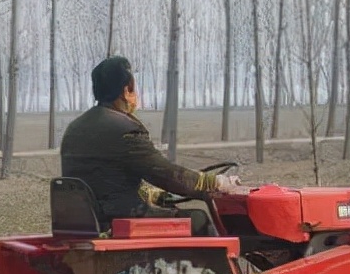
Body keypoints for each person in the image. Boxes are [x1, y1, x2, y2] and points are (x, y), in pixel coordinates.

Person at [60, 55, 240, 235]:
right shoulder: (125, 129)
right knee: (198, 220)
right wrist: (213, 182)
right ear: (126, 89)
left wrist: (157, 196)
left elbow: (106, 179)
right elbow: (167, 175)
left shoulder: (74, 128)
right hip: (119, 221)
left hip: (86, 222)